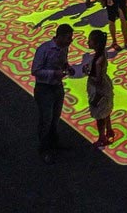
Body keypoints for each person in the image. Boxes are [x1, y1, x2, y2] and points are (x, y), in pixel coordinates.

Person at [31, 24, 75, 164]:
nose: (71, 41)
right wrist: (54, 73)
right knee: (46, 119)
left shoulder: (64, 48)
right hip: (44, 89)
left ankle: (54, 142)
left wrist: (67, 67)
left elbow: (64, 62)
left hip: (57, 86)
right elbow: (35, 71)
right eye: (68, 38)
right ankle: (44, 149)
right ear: (60, 37)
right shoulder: (44, 49)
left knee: (55, 117)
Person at [84, 30, 115, 147]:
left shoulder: (98, 61)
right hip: (105, 87)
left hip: (98, 90)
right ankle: (109, 129)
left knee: (100, 114)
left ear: (96, 44)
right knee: (106, 110)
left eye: (90, 41)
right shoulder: (103, 53)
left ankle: (102, 137)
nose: (88, 42)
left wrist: (87, 72)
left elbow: (97, 79)